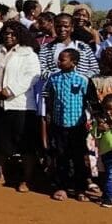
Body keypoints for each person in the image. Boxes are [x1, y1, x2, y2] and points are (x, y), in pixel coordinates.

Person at [0, 21, 41, 192]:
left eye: (13, 34)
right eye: (6, 33)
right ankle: (1, 175)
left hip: (21, 105)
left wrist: (10, 90)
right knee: (0, 142)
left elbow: (33, 76)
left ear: (20, 35)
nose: (9, 36)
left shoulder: (28, 54)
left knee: (25, 144)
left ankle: (26, 179)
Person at [42, 49, 90, 202]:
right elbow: (47, 96)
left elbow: (90, 100)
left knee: (78, 158)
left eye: (63, 60)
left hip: (77, 126)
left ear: (74, 63)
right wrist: (48, 113)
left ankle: (80, 188)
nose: (59, 62)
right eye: (59, 59)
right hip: (59, 125)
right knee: (61, 157)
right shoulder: (53, 79)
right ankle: (61, 187)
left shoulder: (83, 80)